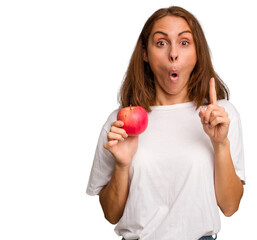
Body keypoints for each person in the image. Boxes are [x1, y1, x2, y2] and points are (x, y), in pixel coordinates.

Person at [86, 6, 245, 240]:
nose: (173, 54)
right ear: (145, 53)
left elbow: (230, 206)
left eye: (184, 42)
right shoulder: (119, 123)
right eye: (161, 43)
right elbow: (111, 214)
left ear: (197, 52)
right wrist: (122, 165)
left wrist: (220, 144)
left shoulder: (220, 115)